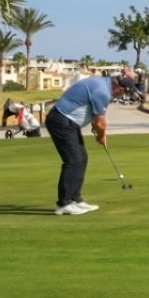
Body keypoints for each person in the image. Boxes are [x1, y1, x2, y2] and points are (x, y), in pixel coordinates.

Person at [47, 72, 126, 215]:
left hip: (68, 123)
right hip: (61, 121)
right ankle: (64, 204)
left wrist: (98, 131)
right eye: (124, 92)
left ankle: (75, 198)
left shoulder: (102, 83)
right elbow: (100, 123)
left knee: (82, 158)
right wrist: (101, 136)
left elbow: (93, 116)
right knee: (73, 161)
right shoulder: (103, 92)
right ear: (119, 89)